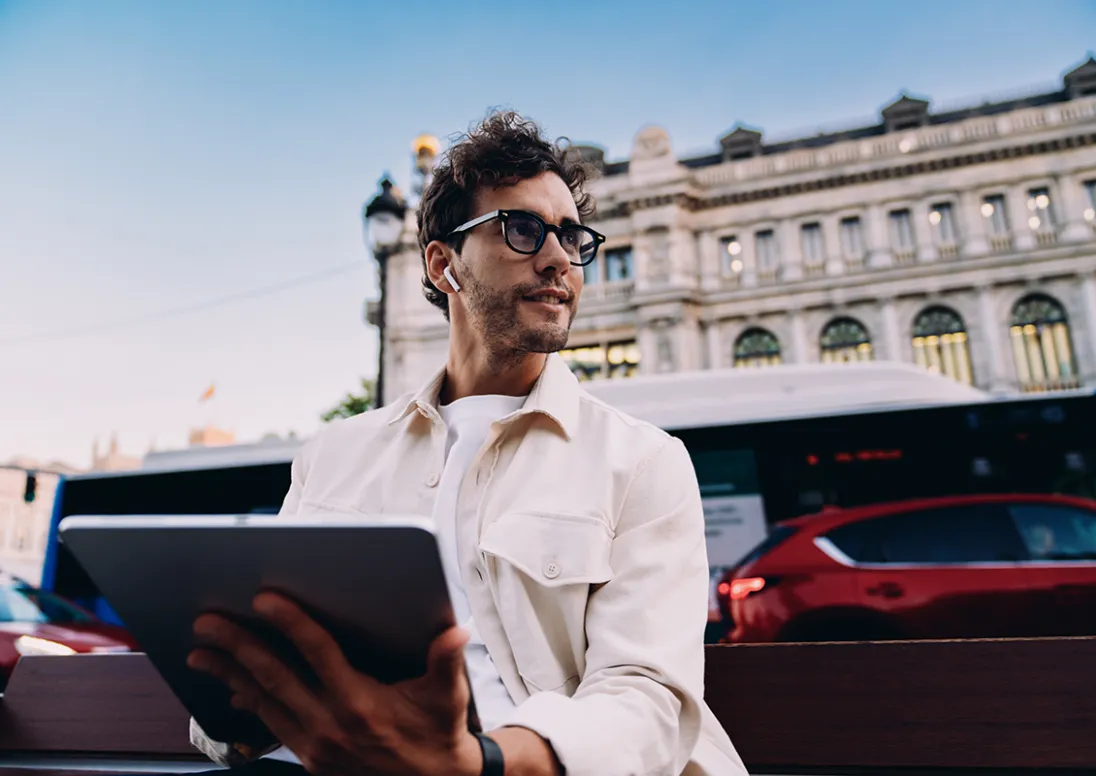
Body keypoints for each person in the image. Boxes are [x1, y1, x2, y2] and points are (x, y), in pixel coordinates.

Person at [187, 111, 748, 776]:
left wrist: (474, 762)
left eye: (572, 238)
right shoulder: (333, 458)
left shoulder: (642, 461)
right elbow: (235, 699)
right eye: (522, 229)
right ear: (443, 264)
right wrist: (244, 713)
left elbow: (647, 704)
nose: (557, 259)